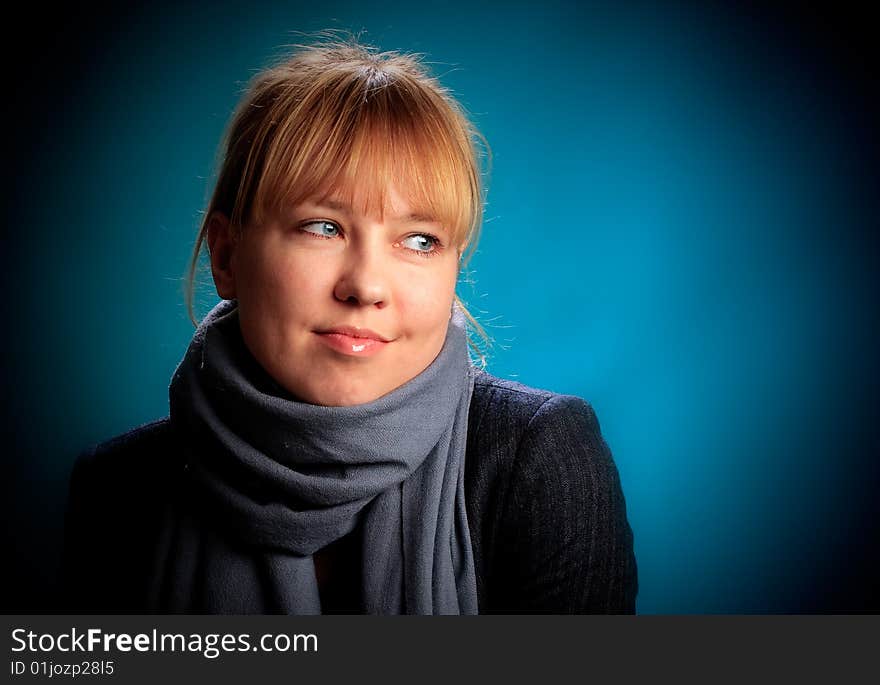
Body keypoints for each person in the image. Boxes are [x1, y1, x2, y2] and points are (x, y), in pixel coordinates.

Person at [60, 36, 637, 614]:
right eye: (323, 227)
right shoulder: (118, 489)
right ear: (227, 257)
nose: (366, 287)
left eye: (419, 240)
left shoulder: (536, 459)